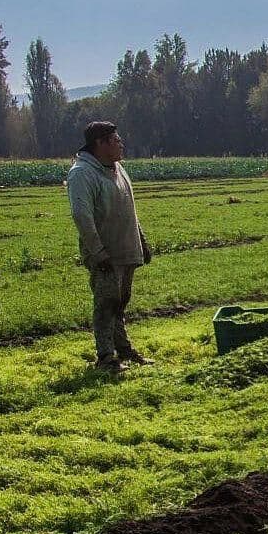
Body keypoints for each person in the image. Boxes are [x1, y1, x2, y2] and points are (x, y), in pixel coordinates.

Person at [66, 121, 152, 371]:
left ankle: (123, 350)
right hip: (105, 254)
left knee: (120, 301)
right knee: (105, 304)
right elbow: (82, 217)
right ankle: (105, 357)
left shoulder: (118, 168)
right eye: (115, 140)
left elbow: (129, 209)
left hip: (126, 248)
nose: (120, 144)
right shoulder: (82, 173)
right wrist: (98, 252)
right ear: (100, 144)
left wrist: (141, 240)